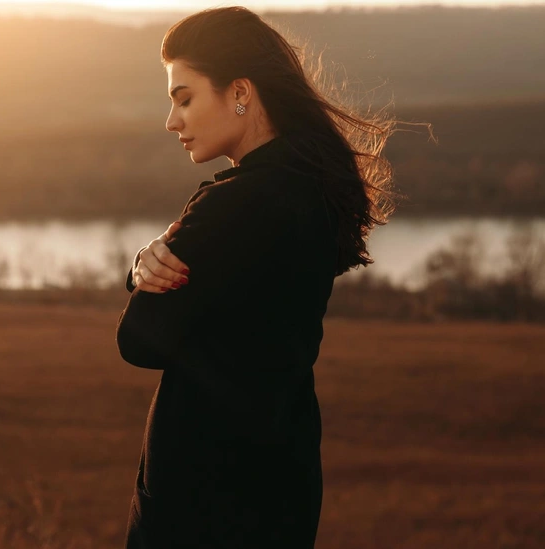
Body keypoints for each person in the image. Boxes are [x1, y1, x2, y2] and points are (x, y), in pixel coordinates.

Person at [116, 6, 397, 549]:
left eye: (184, 98)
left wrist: (142, 270)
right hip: (285, 480)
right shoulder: (314, 189)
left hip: (201, 498)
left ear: (240, 92)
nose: (172, 121)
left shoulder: (232, 205)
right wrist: (143, 263)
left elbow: (138, 340)